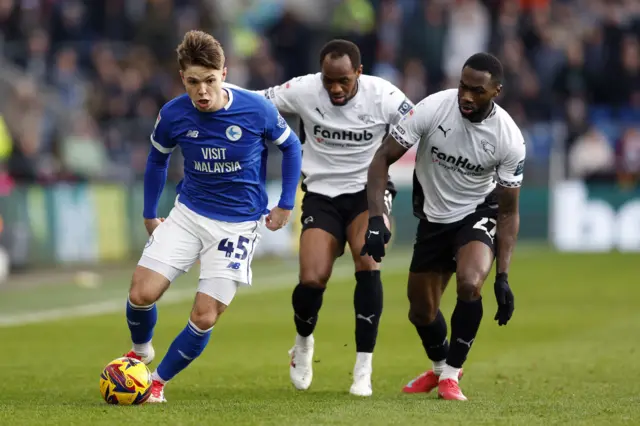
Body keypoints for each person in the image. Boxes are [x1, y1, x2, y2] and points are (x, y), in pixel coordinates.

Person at [121, 30, 302, 403]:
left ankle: (156, 381)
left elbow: (291, 146)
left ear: (224, 72)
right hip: (188, 214)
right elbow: (157, 157)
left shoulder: (255, 109)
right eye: (192, 82)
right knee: (140, 294)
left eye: (209, 80)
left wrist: (286, 203)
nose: (202, 91)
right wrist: (150, 213)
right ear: (182, 78)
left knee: (204, 316)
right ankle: (140, 353)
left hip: (237, 224)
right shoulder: (172, 114)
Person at [362, 53, 524, 401]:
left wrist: (503, 277)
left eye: (477, 91)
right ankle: (439, 369)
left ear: (496, 91)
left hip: (477, 213)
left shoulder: (508, 138)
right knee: (421, 312)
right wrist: (376, 217)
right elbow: (381, 158)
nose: (466, 96)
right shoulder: (432, 108)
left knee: (469, 283)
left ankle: (452, 375)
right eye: (463, 86)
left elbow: (509, 212)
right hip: (433, 218)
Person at [257, 39, 413, 396]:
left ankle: (363, 368)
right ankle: (303, 344)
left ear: (359, 72)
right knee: (312, 279)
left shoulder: (384, 96)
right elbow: (256, 100)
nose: (336, 88)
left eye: (344, 80)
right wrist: (215, 87)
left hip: (367, 193)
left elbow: (422, 122)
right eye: (329, 80)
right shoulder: (303, 89)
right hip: (321, 195)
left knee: (369, 262)